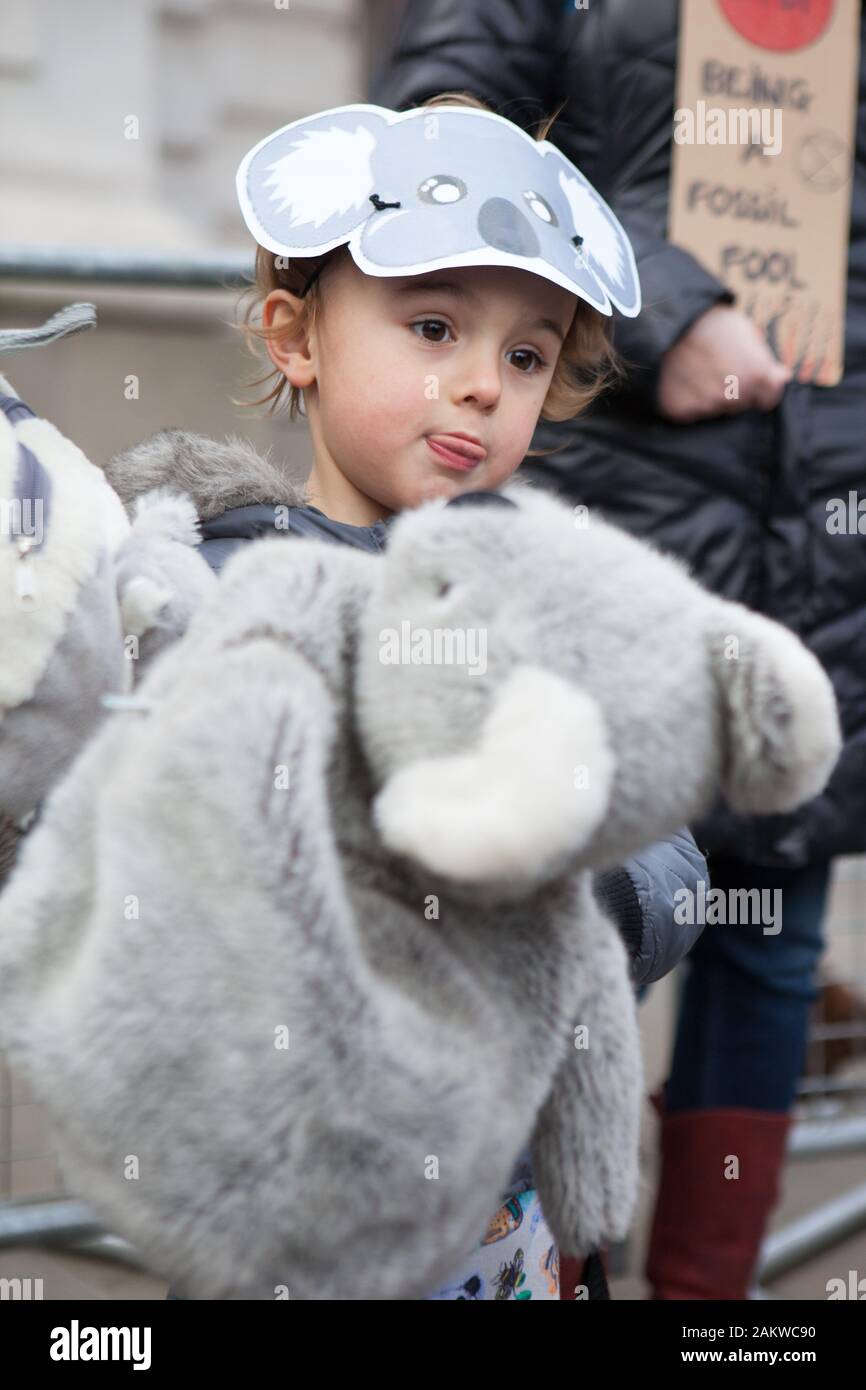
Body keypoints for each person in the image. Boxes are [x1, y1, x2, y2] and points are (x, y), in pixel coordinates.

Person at [102, 92, 708, 1300]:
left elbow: (675, 866)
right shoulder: (222, 593)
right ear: (296, 337)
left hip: (511, 1241)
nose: (483, 384)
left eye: (526, 354)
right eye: (433, 326)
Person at [372, 0, 866, 1298]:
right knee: (560, 902)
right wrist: (659, 307)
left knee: (765, 939)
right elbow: (445, 122)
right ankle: (546, 1273)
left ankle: (704, 1310)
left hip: (833, 518)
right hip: (614, 494)